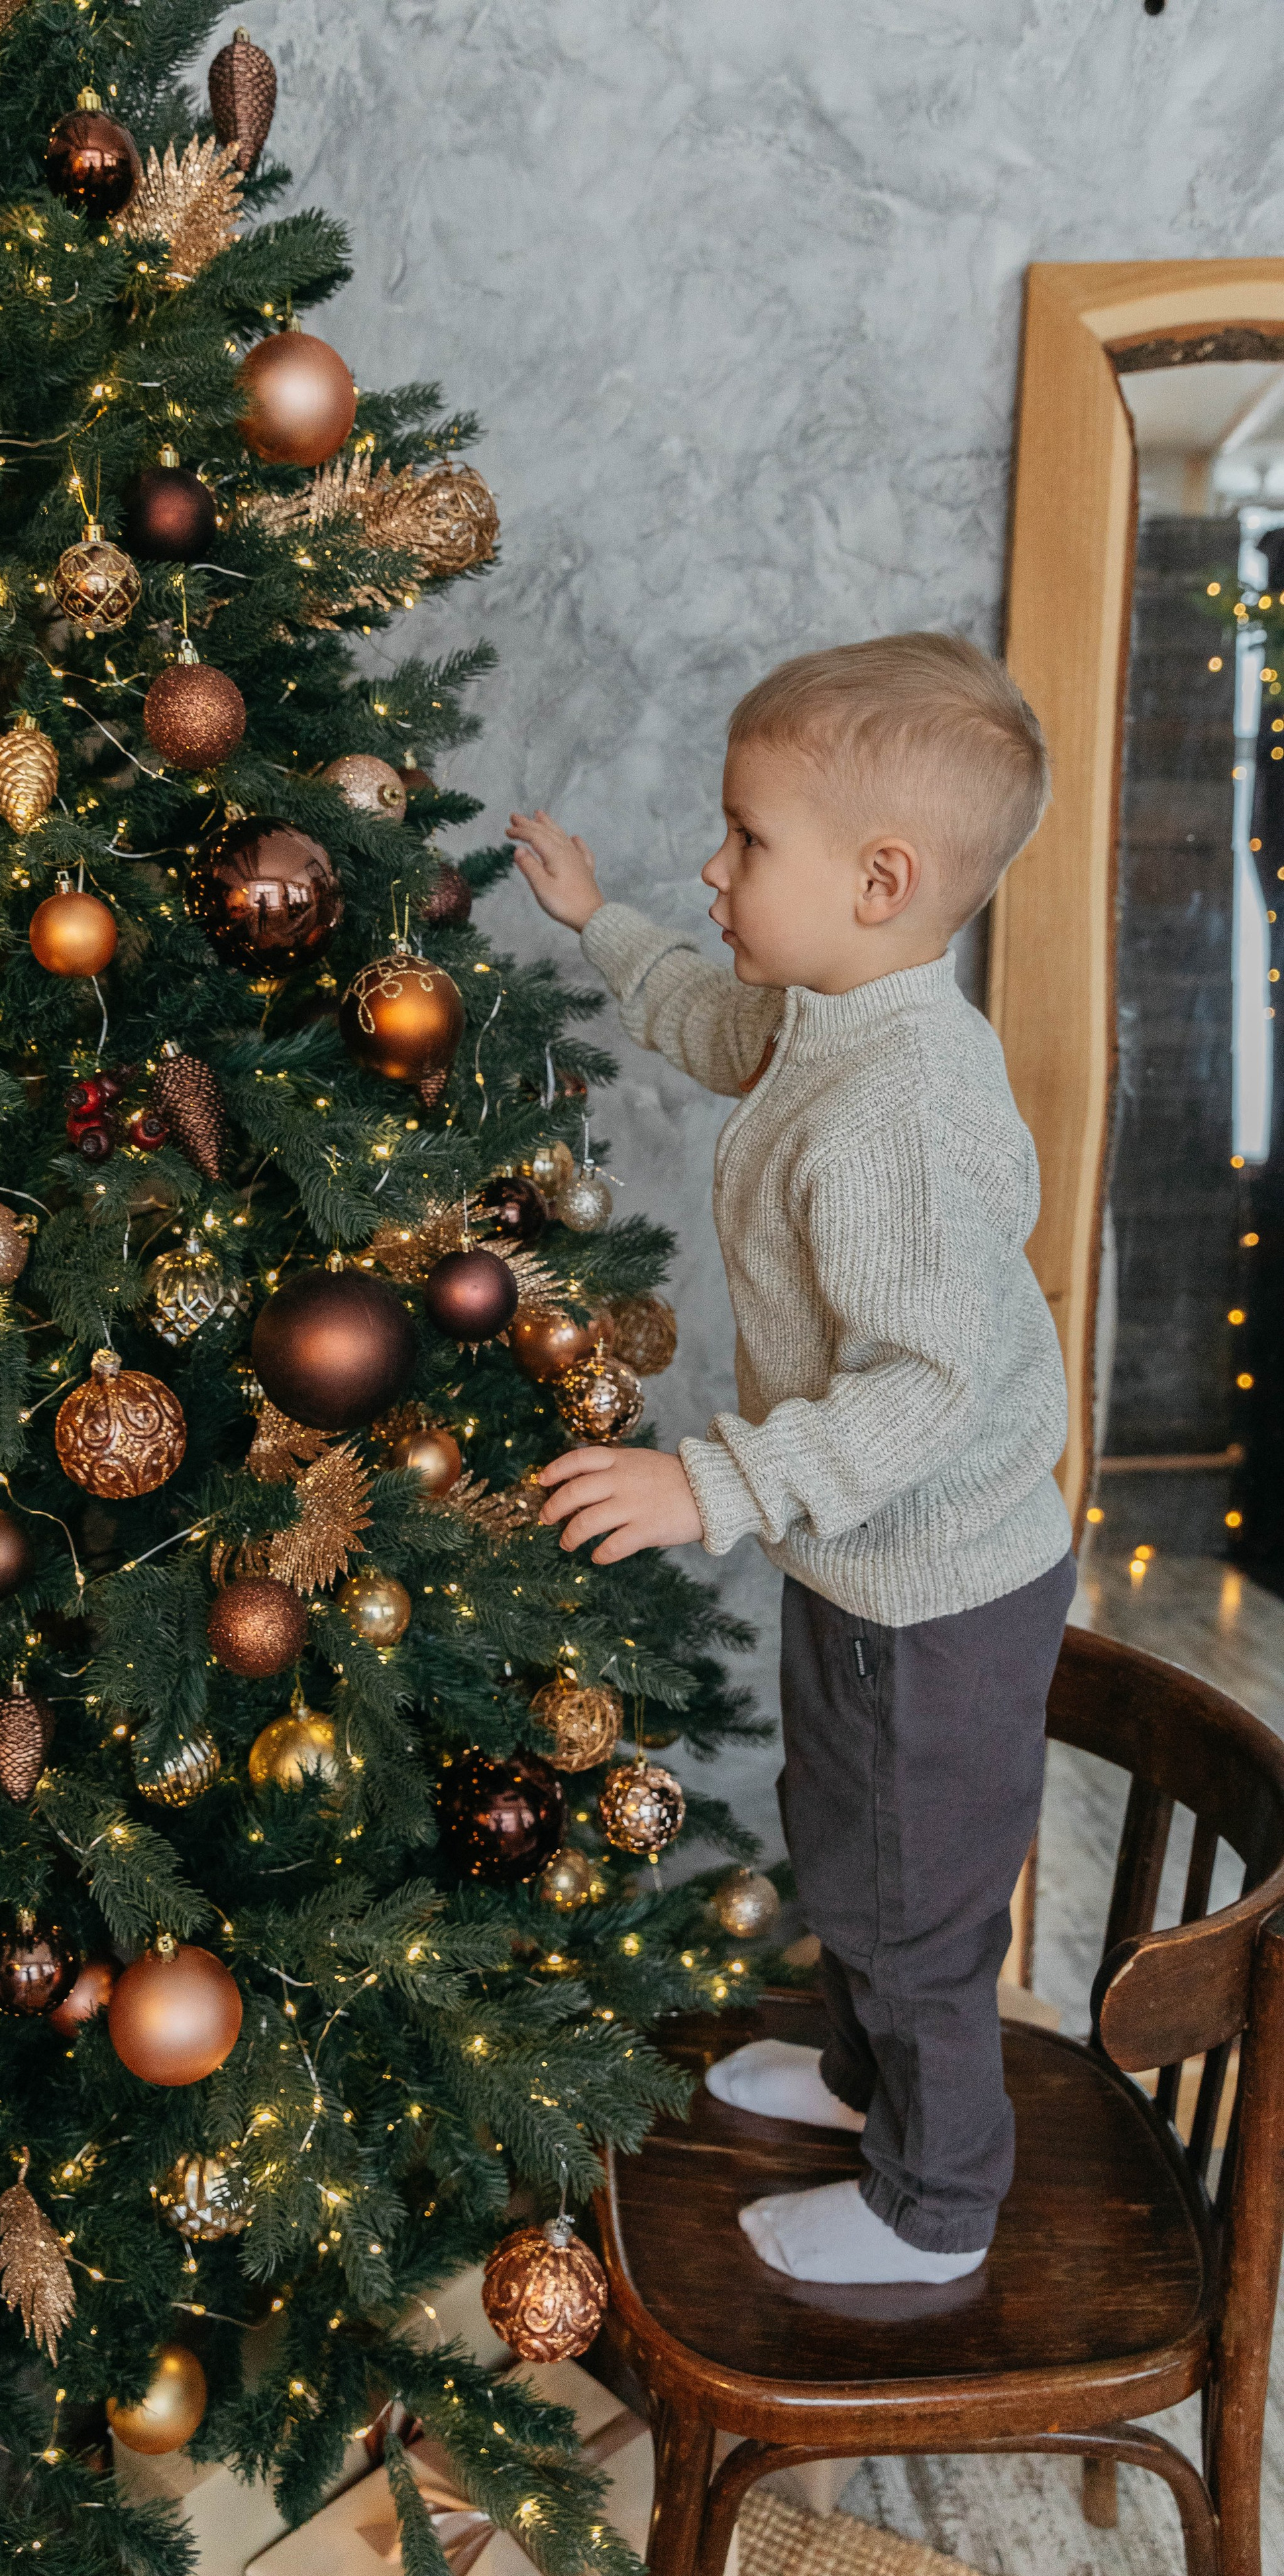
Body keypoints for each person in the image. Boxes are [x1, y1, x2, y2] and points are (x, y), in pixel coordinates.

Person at [507, 632, 1074, 2288]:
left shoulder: (903, 1105)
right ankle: (851, 2079)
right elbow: (712, 1020)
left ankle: (935, 2203)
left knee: (913, 1904)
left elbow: (925, 1388)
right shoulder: (828, 1012)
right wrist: (597, 921)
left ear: (878, 880)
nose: (715, 864)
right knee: (845, 1839)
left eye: (747, 838)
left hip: (937, 1586)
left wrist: (708, 1484)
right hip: (861, 1555)